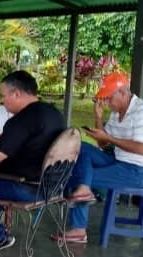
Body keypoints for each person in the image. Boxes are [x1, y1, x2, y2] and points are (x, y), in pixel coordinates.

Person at [0, 70, 66, 250]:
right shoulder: (55, 114)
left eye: (4, 95)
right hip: (54, 185)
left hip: (27, 188)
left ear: (16, 93)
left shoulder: (21, 120)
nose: (2, 100)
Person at [52, 72, 143, 243]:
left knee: (77, 176)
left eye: (109, 98)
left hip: (137, 171)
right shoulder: (117, 112)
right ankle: (84, 190)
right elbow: (103, 144)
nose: (107, 103)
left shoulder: (140, 111)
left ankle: (79, 229)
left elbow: (140, 148)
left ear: (123, 93)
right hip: (117, 160)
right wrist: (99, 118)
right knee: (79, 146)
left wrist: (110, 139)